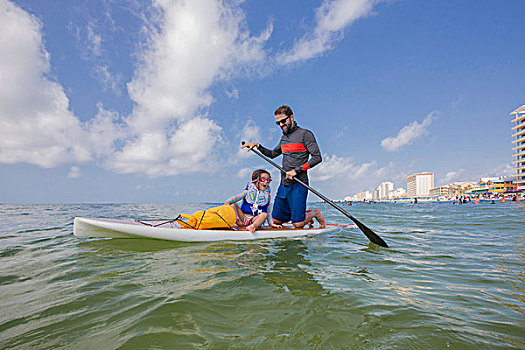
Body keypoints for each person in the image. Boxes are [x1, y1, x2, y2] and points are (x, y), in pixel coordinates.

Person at [242, 105, 326, 229]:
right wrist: (258, 146)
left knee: (297, 224)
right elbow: (272, 154)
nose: (281, 125)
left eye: (283, 121)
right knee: (276, 221)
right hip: (284, 184)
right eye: (278, 123)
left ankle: (314, 213)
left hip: (299, 184)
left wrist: (296, 171)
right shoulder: (284, 138)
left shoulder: (305, 134)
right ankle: (300, 214)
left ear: (291, 117)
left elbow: (317, 157)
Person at [224, 169, 281, 233]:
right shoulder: (248, 191)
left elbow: (268, 210)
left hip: (254, 219)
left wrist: (271, 223)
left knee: (264, 215)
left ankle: (253, 226)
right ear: (255, 180)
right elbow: (237, 197)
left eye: (268, 180)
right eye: (263, 179)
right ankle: (236, 219)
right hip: (242, 217)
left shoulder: (267, 196)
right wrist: (228, 202)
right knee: (233, 204)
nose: (266, 182)